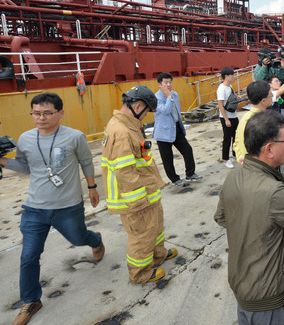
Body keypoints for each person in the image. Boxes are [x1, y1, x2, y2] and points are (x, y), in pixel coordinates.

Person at [0, 93, 104, 325]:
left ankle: (95, 240)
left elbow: (86, 161)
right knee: (28, 256)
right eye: (36, 113)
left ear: (60, 113)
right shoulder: (25, 139)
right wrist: (3, 161)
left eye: (47, 113)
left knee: (78, 238)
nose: (41, 118)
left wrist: (92, 187)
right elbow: (25, 167)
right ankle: (31, 301)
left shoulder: (75, 137)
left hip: (67, 206)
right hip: (34, 208)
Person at [215, 111, 284, 325]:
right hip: (269, 299)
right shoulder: (275, 193)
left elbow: (223, 218)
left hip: (243, 285)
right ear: (269, 149)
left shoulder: (235, 174)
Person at [101, 85, 178, 284]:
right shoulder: (121, 131)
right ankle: (140, 273)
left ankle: (158, 255)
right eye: (146, 112)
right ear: (137, 106)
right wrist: (138, 204)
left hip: (148, 190)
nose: (146, 116)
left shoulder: (129, 125)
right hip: (137, 199)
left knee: (155, 226)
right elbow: (124, 172)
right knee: (142, 235)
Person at [153, 73, 201, 186]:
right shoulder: (155, 98)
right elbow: (165, 110)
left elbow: (177, 112)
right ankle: (175, 179)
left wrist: (181, 125)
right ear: (159, 84)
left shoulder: (175, 94)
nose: (169, 85)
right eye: (166, 83)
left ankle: (190, 173)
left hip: (176, 128)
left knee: (187, 150)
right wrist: (168, 97)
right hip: (164, 132)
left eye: (170, 82)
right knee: (167, 158)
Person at [232, 80, 272, 164]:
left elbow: (236, 143)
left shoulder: (252, 117)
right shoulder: (251, 121)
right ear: (263, 100)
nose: (272, 97)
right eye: (270, 95)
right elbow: (244, 147)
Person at [217, 67, 239, 169]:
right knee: (227, 138)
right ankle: (226, 158)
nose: (233, 77)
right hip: (227, 117)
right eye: (232, 75)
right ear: (226, 76)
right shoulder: (221, 89)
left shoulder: (229, 87)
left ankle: (235, 155)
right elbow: (220, 105)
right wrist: (226, 119)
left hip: (233, 115)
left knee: (236, 136)